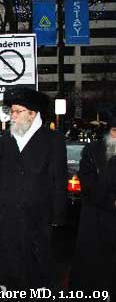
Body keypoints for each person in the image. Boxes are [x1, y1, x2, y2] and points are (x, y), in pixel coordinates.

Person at [0, 87, 67, 289]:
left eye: (18, 111)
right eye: (12, 111)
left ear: (33, 113)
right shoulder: (6, 138)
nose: (13, 115)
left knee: (36, 260)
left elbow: (59, 178)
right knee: (9, 255)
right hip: (8, 212)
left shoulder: (53, 139)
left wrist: (58, 215)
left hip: (38, 213)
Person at [70, 107, 116, 297]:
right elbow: (88, 184)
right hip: (96, 219)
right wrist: (112, 201)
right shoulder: (92, 151)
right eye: (115, 131)